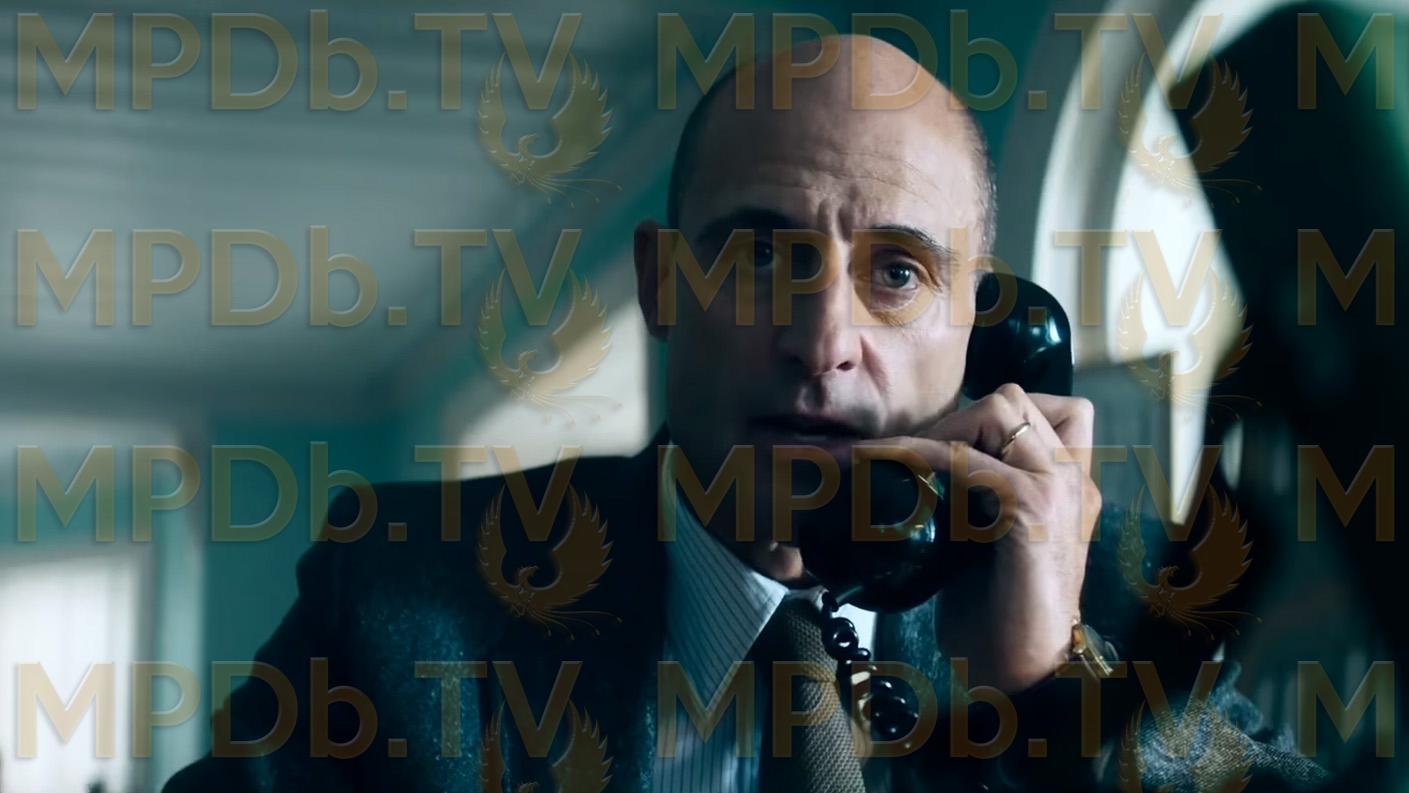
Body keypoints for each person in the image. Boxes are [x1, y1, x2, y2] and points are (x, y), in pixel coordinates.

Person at [166, 35, 1323, 793]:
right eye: (762, 256)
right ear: (661, 285)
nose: (821, 342)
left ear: (981, 326)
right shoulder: (402, 596)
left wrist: (1048, 689)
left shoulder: (1106, 598)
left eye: (898, 272)